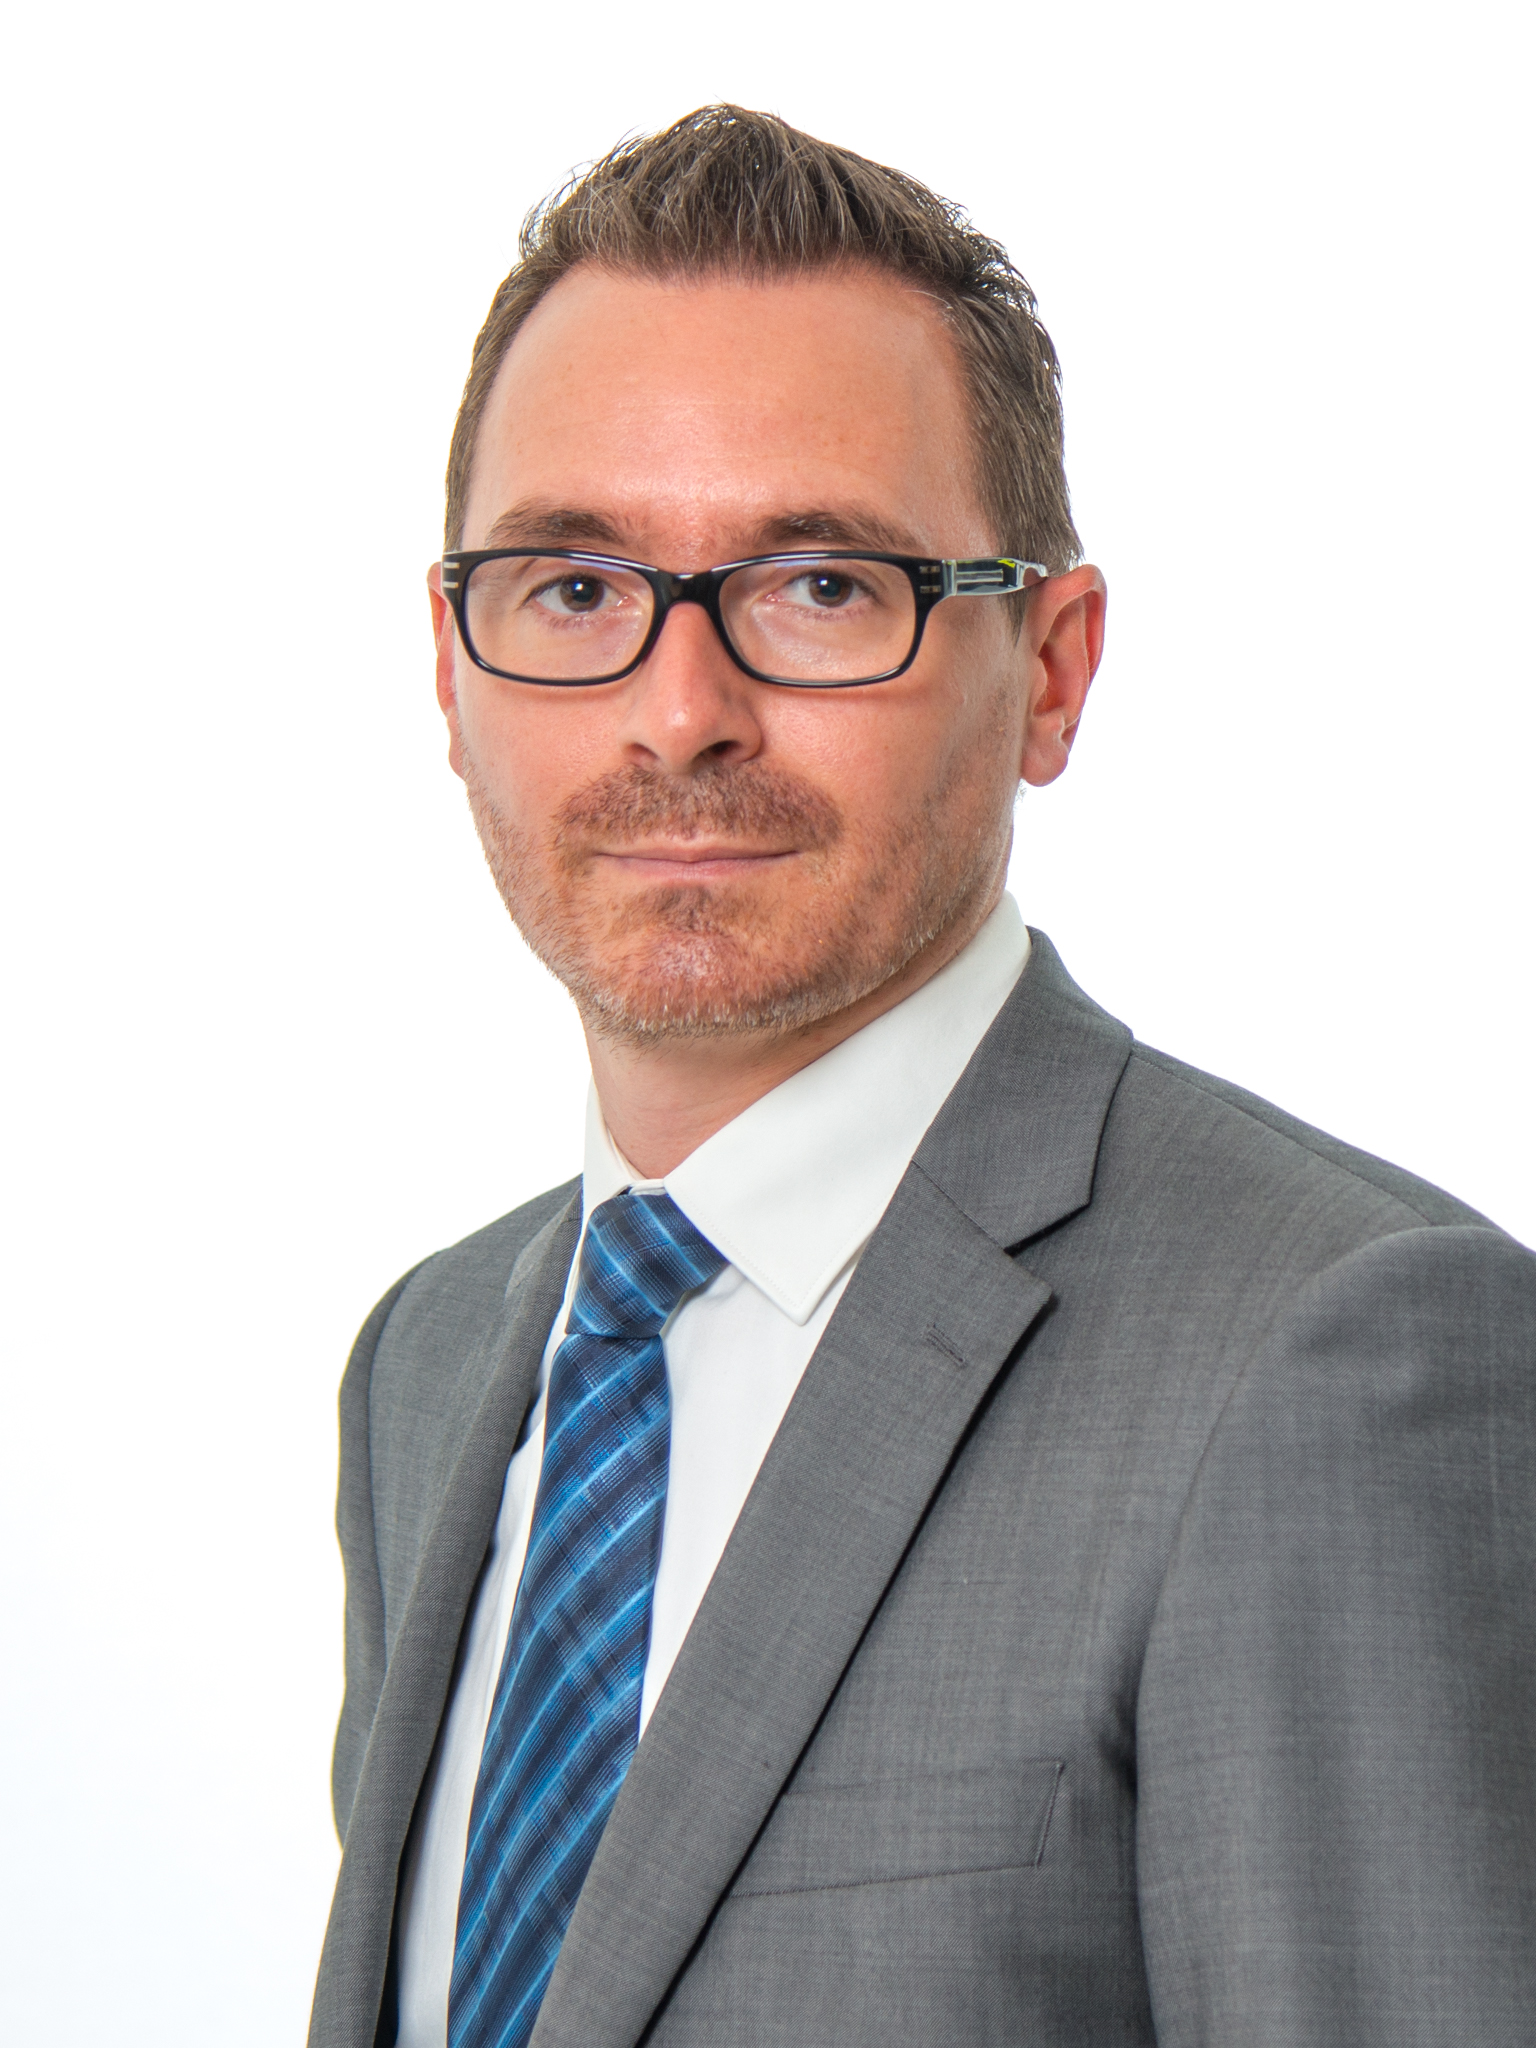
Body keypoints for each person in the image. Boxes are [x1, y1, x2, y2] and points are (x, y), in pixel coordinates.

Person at [307, 105, 1536, 2048]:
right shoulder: (435, 1359)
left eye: (821, 588)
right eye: (574, 586)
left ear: (1051, 668)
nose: (680, 715)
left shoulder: (1336, 1354)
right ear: (451, 672)